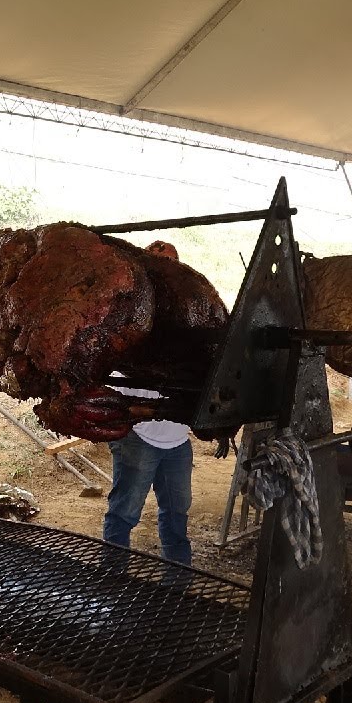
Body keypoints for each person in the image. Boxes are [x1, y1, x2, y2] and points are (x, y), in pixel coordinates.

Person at [102, 241, 194, 566]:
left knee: (177, 517)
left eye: (172, 265)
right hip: (138, 435)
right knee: (124, 514)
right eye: (158, 264)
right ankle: (113, 582)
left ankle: (178, 584)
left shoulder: (188, 314)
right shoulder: (128, 310)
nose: (166, 272)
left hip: (178, 439)